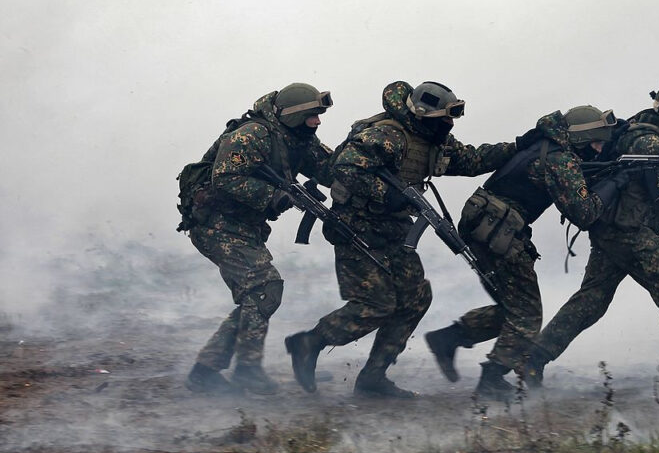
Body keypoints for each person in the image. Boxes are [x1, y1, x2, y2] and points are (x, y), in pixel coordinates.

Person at [284, 81, 516, 399]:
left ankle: (372, 379)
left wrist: (518, 147)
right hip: (357, 228)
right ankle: (309, 343)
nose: (449, 125)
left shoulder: (432, 139)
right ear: (422, 114)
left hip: (394, 230)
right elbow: (345, 168)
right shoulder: (386, 135)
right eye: (443, 119)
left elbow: (472, 161)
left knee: (415, 299)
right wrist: (387, 194)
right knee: (376, 305)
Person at [524, 78, 659, 392]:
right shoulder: (648, 140)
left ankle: (532, 360)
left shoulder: (644, 126)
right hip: (628, 231)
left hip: (613, 228)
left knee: (592, 300)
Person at [424, 106, 625, 399]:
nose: (599, 148)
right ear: (583, 137)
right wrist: (616, 181)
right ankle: (492, 378)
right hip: (499, 231)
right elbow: (585, 213)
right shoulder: (560, 160)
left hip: (485, 224)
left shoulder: (547, 146)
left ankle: (449, 338)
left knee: (513, 308)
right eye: (596, 142)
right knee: (528, 315)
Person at [182, 83, 335, 395]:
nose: (317, 122)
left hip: (243, 226)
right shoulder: (252, 134)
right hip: (216, 224)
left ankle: (206, 370)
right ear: (293, 116)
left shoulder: (298, 139)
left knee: (258, 295)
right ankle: (247, 370)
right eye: (312, 116)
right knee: (264, 288)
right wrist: (273, 195)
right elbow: (224, 178)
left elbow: (331, 170)